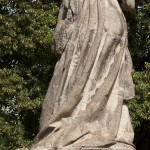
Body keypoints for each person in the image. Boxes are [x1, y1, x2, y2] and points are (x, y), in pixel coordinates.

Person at [30, 0, 136, 149]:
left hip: (85, 20)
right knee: (106, 81)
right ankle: (97, 130)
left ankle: (68, 129)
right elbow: (129, 4)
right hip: (109, 21)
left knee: (74, 78)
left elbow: (59, 43)